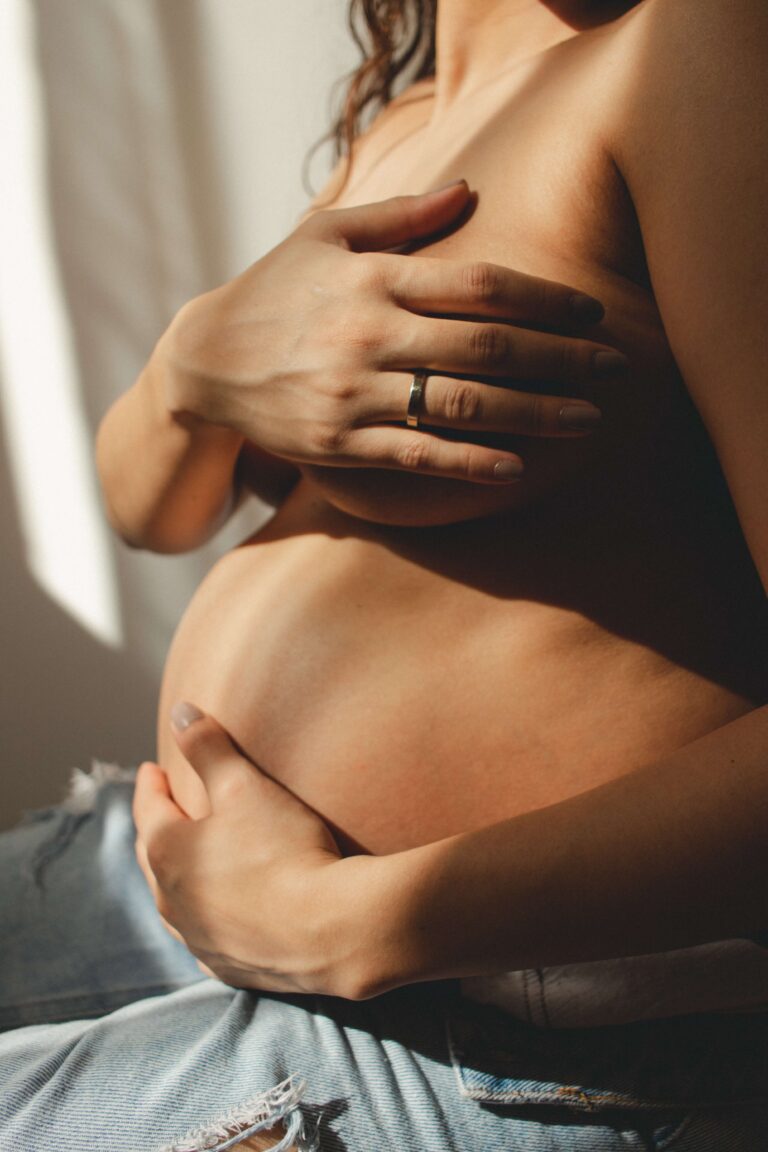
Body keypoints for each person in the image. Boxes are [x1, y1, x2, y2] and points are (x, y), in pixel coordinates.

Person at [2, 0, 768, 1149]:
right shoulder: (403, 124)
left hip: (501, 1021)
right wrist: (187, 367)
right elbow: (150, 507)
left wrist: (349, 922)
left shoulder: (698, 48)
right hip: (189, 878)